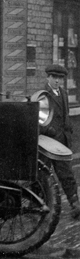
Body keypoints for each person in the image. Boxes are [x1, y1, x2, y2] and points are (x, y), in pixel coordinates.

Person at [41, 63, 80, 219]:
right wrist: (48, 131)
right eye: (54, 78)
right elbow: (39, 119)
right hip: (47, 142)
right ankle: (40, 204)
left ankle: (75, 204)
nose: (57, 81)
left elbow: (66, 115)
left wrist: (68, 131)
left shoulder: (63, 93)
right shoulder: (43, 95)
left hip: (61, 142)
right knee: (42, 174)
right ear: (48, 77)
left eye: (60, 78)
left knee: (66, 173)